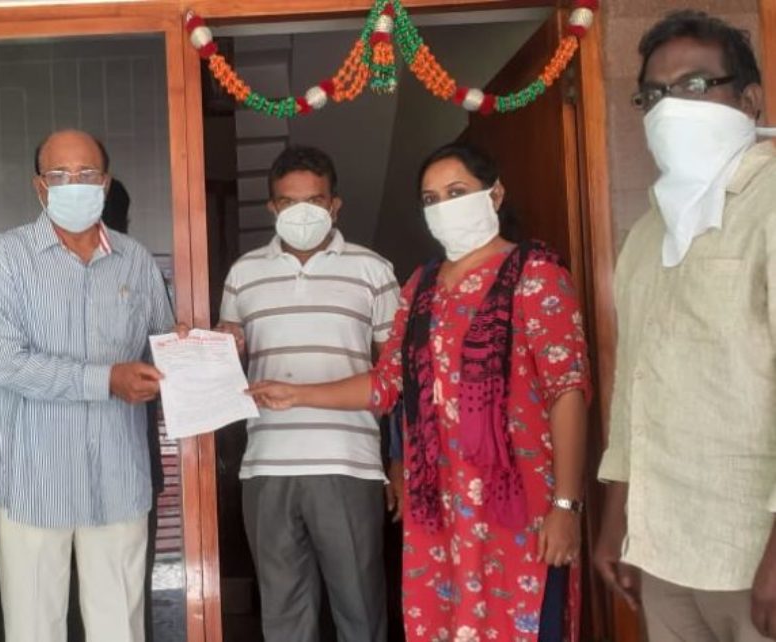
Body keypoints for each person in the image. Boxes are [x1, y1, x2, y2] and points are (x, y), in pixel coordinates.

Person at [249, 142, 591, 642]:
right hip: (439, 506)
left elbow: (567, 393)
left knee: (522, 623)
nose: (444, 207)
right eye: (431, 199)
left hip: (519, 504)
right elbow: (388, 383)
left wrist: (566, 506)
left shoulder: (536, 276)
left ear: (495, 194)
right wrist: (297, 395)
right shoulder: (421, 286)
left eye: (457, 192)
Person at [594, 10, 776, 641]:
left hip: (752, 548)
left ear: (749, 100)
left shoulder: (769, 206)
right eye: (654, 95)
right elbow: (633, 390)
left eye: (695, 85)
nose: (670, 107)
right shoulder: (648, 234)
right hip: (664, 546)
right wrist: (618, 520)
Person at [0, 129, 175, 642]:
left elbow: (162, 348)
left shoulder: (135, 260)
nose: (74, 184)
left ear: (105, 183)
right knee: (34, 629)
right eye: (59, 175)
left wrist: (203, 354)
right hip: (34, 481)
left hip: (118, 478)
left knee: (120, 628)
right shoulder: (5, 257)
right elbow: (2, 364)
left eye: (86, 174)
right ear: (40, 186)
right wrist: (106, 379)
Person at [215, 145, 398, 642]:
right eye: (288, 202)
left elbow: (396, 377)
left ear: (335, 206)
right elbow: (229, 368)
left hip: (348, 462)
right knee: (283, 616)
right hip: (266, 464)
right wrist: (216, 348)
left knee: (359, 611)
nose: (302, 213)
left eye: (314, 201)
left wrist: (398, 464)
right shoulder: (243, 274)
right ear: (271, 207)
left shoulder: (373, 270)